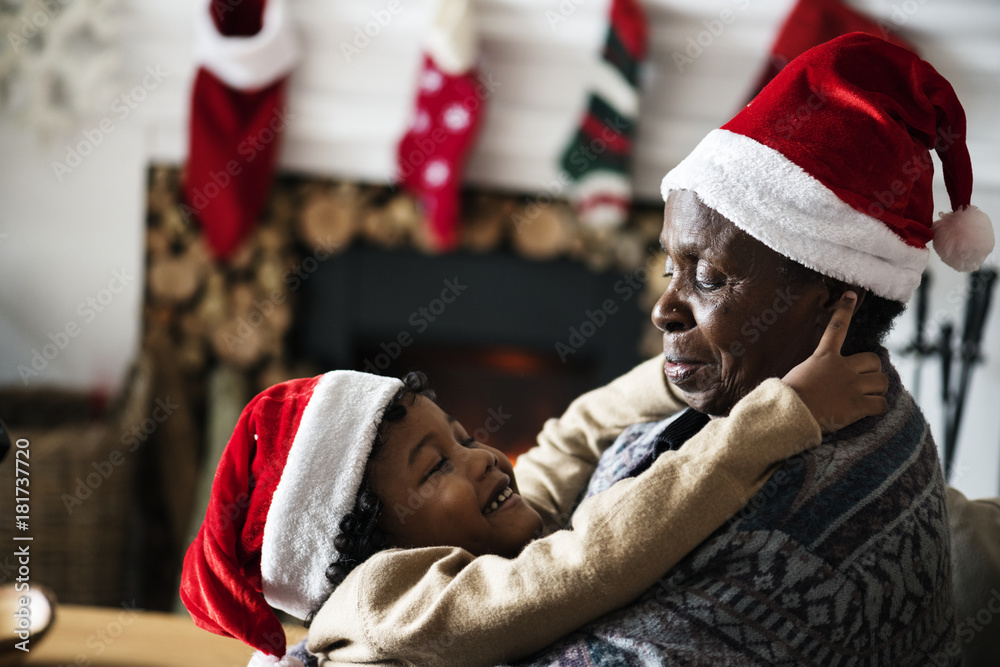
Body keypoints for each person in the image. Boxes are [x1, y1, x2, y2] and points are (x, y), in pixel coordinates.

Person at [497, 32, 994, 666]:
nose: (663, 309)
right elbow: (577, 443)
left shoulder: (795, 551)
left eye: (707, 277)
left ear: (831, 298)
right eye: (670, 265)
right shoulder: (789, 386)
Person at [180, 295, 884, 666]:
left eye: (460, 436)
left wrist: (695, 370)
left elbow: (571, 437)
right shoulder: (381, 601)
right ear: (370, 545)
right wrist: (776, 417)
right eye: (436, 465)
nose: (480, 455)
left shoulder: (475, 542)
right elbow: (586, 564)